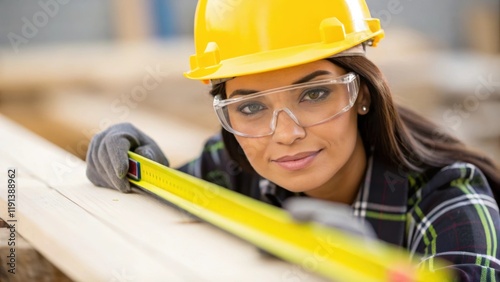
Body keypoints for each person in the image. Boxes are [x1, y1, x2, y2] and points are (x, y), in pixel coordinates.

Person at [86, 0, 500, 280]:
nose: (286, 134)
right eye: (250, 108)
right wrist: (143, 181)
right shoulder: (230, 166)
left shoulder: (450, 202)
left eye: (315, 94)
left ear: (363, 95)